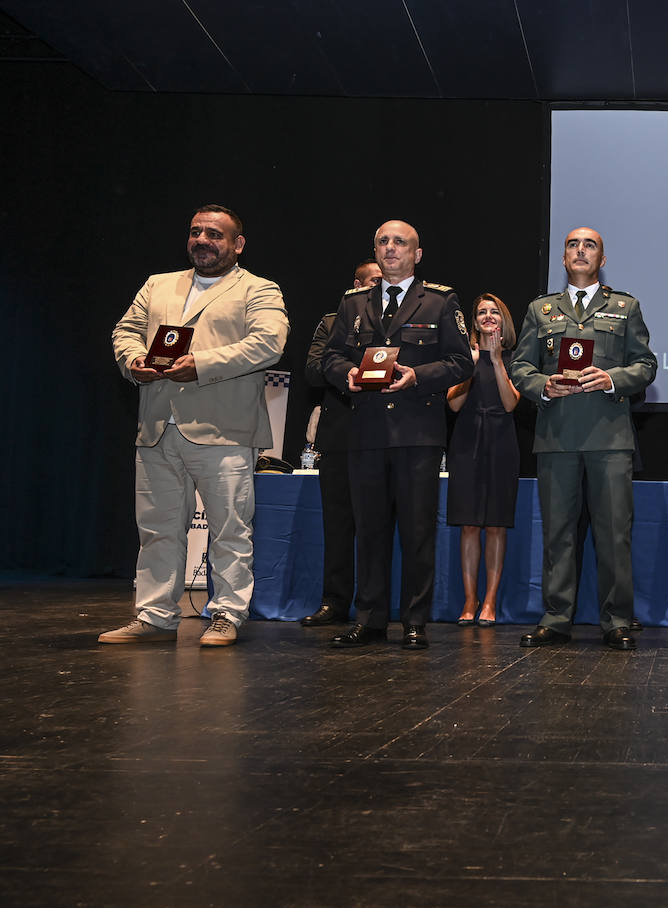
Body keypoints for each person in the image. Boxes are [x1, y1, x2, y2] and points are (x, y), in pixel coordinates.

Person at [102, 204, 289, 647]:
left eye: (214, 234)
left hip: (223, 430)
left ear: (237, 244)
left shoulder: (259, 289)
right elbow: (125, 330)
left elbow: (269, 343)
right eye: (195, 232)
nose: (202, 240)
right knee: (157, 529)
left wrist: (200, 365)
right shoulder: (158, 284)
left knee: (229, 529)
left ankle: (226, 614)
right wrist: (133, 361)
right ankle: (155, 616)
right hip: (156, 427)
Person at [321, 220, 472, 650]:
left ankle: (414, 620)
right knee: (368, 530)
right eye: (383, 242)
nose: (390, 249)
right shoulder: (353, 303)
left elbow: (460, 362)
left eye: (400, 242)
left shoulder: (441, 302)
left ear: (417, 254)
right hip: (364, 431)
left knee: (416, 531)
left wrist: (417, 376)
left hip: (416, 433)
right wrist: (346, 373)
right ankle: (368, 619)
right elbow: (331, 355)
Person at [510, 227, 657, 650]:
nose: (580, 250)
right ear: (563, 258)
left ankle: (617, 620)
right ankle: (556, 618)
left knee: (614, 534)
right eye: (573, 244)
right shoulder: (541, 310)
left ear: (602, 259)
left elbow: (646, 365)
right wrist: (542, 384)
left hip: (610, 439)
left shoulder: (625, 307)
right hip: (556, 436)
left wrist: (611, 378)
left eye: (589, 245)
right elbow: (520, 367)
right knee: (557, 533)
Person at [299, 258, 382, 627]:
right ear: (356, 284)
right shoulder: (333, 322)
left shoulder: (397, 321)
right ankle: (334, 601)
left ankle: (374, 605)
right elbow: (313, 371)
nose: (378, 287)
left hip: (386, 435)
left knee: (379, 524)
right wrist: (350, 366)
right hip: (341, 435)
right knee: (338, 524)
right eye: (372, 281)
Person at [447, 293, 521, 627]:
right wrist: (471, 364)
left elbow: (510, 404)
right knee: (468, 524)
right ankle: (469, 599)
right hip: (466, 442)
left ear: (503, 320)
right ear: (474, 321)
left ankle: (490, 601)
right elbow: (453, 405)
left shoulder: (517, 359)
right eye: (481, 312)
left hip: (501, 443)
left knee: (495, 525)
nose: (488, 316)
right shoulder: (463, 356)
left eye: (494, 312)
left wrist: (495, 360)